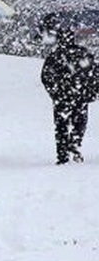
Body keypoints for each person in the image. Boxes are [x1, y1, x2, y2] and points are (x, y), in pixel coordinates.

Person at [39, 16, 98, 164]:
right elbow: (95, 73)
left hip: (61, 97)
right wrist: (91, 92)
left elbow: (45, 76)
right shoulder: (83, 54)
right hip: (80, 95)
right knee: (80, 121)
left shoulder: (55, 56)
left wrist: (54, 92)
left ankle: (62, 155)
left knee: (61, 126)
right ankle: (75, 140)